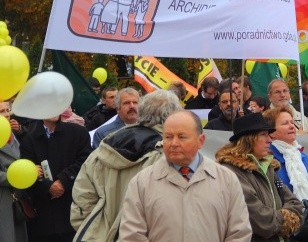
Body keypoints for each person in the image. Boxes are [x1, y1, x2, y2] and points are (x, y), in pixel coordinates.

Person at [120, 110, 252, 242]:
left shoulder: (226, 180)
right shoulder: (142, 182)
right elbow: (132, 235)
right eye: (168, 137)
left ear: (201, 140)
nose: (174, 143)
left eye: (182, 137)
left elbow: (239, 233)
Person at [71, 90, 182, 242]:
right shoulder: (168, 157)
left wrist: (96, 231)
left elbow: (81, 197)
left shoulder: (104, 147)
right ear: (173, 117)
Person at [216, 113, 303, 242]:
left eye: (269, 134)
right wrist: (288, 219)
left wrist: (279, 219)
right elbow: (262, 222)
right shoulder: (231, 172)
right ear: (248, 139)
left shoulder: (268, 167)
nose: (269, 139)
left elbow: (296, 204)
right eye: (263, 134)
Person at [20, 113, 92, 242]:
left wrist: (63, 180)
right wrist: (48, 186)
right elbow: (27, 172)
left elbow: (86, 161)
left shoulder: (78, 132)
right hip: (46, 216)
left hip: (76, 208)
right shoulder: (29, 140)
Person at [264, 107, 308, 205]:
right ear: (271, 133)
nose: (292, 126)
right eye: (285, 123)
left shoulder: (304, 158)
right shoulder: (267, 160)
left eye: (292, 122)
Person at [0, 101, 28, 242]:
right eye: (1, 112)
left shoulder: (11, 132)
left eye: (7, 110)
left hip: (17, 196)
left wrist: (21, 132)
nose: (6, 115)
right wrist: (18, 175)